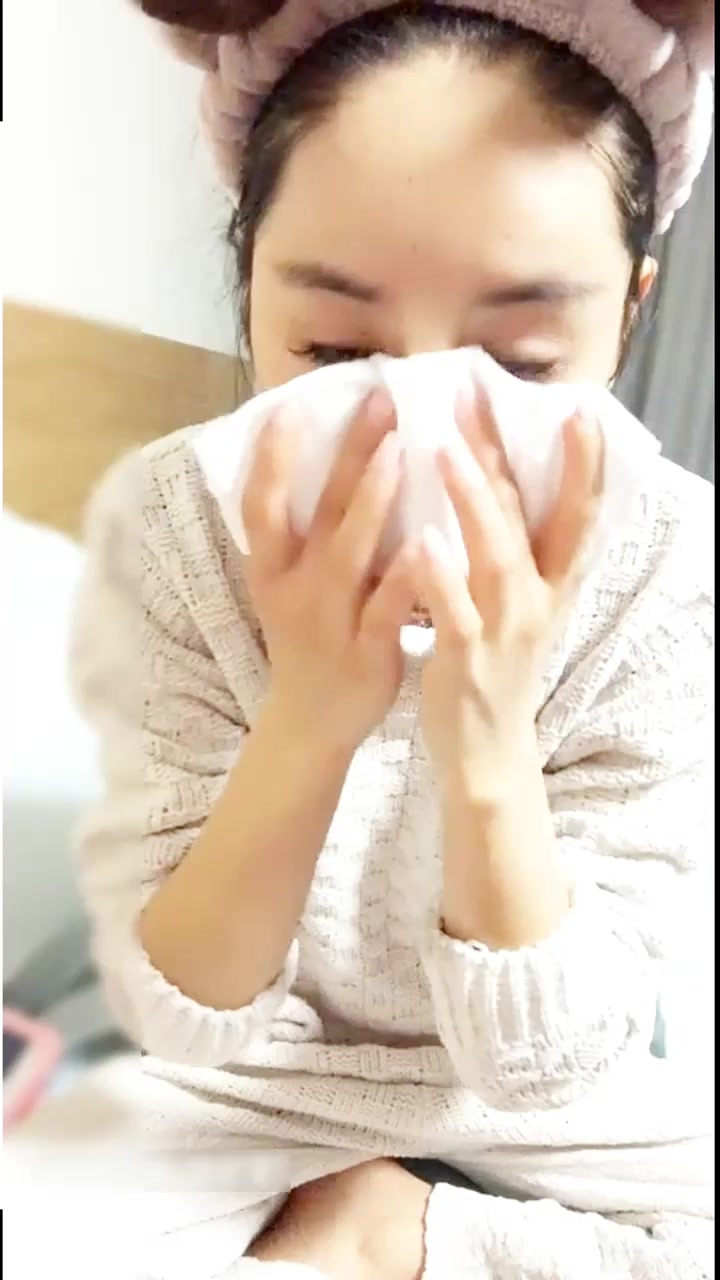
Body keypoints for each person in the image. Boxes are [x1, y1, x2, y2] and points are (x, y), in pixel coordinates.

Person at [16, 2, 715, 1277]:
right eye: (337, 350)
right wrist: (312, 713)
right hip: (248, 1083)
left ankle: (381, 1224)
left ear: (628, 312)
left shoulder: (670, 563)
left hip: (546, 1101)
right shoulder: (183, 521)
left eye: (520, 361)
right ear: (249, 286)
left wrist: (488, 735)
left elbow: (552, 1061)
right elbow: (193, 1019)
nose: (421, 429)